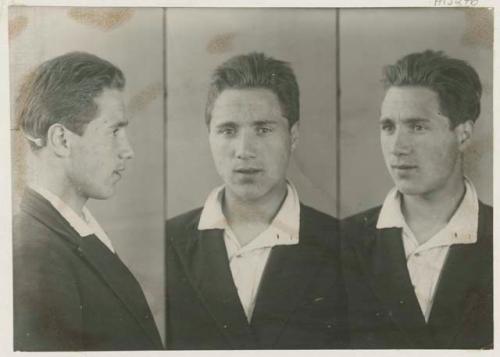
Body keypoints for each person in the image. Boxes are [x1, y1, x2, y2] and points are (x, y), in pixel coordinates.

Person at [165, 52, 348, 349]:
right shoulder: (165, 244)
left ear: (293, 136)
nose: (244, 150)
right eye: (228, 130)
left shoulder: (345, 247)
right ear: (209, 136)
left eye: (263, 130)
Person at [341, 50, 492, 349]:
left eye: (418, 127)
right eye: (388, 127)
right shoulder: (339, 243)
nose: (398, 147)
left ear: (462, 134)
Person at [13, 52, 163, 351]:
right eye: (114, 131)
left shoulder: (70, 232)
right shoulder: (35, 256)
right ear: (62, 140)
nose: (128, 150)